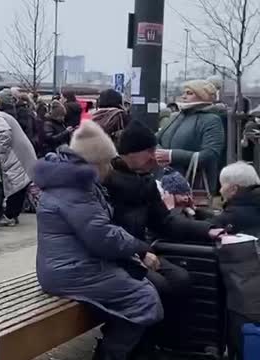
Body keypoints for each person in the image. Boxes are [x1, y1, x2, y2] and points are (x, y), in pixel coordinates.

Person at [35, 120, 163, 360]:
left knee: (142, 286)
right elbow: (102, 236)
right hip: (72, 272)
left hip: (71, 267)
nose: (109, 170)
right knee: (145, 297)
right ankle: (108, 355)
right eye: (106, 163)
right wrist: (139, 247)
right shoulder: (75, 190)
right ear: (94, 163)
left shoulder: (71, 182)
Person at [105, 121, 223, 354]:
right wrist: (140, 251)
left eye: (154, 150)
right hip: (116, 254)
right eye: (148, 151)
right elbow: (105, 233)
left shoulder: (146, 181)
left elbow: (164, 221)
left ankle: (169, 343)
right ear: (129, 153)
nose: (154, 157)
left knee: (181, 279)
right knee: (157, 286)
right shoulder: (106, 183)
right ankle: (143, 347)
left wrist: (205, 229)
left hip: (140, 252)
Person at [208, 162, 260, 360]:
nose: (219, 190)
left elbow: (214, 226)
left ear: (233, 189)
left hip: (246, 299)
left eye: (222, 185)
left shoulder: (235, 213)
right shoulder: (253, 204)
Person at [157, 80, 225, 195]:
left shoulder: (212, 120)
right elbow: (156, 138)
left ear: (203, 96)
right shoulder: (175, 116)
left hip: (193, 184)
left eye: (189, 93)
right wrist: (159, 153)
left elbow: (211, 153)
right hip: (163, 179)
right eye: (184, 93)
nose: (183, 96)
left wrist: (171, 155)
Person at [0, 89, 37, 227]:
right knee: (19, 186)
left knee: (16, 186)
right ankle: (12, 214)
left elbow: (5, 134)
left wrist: (3, 152)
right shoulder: (5, 115)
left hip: (15, 156)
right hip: (22, 154)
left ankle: (9, 216)